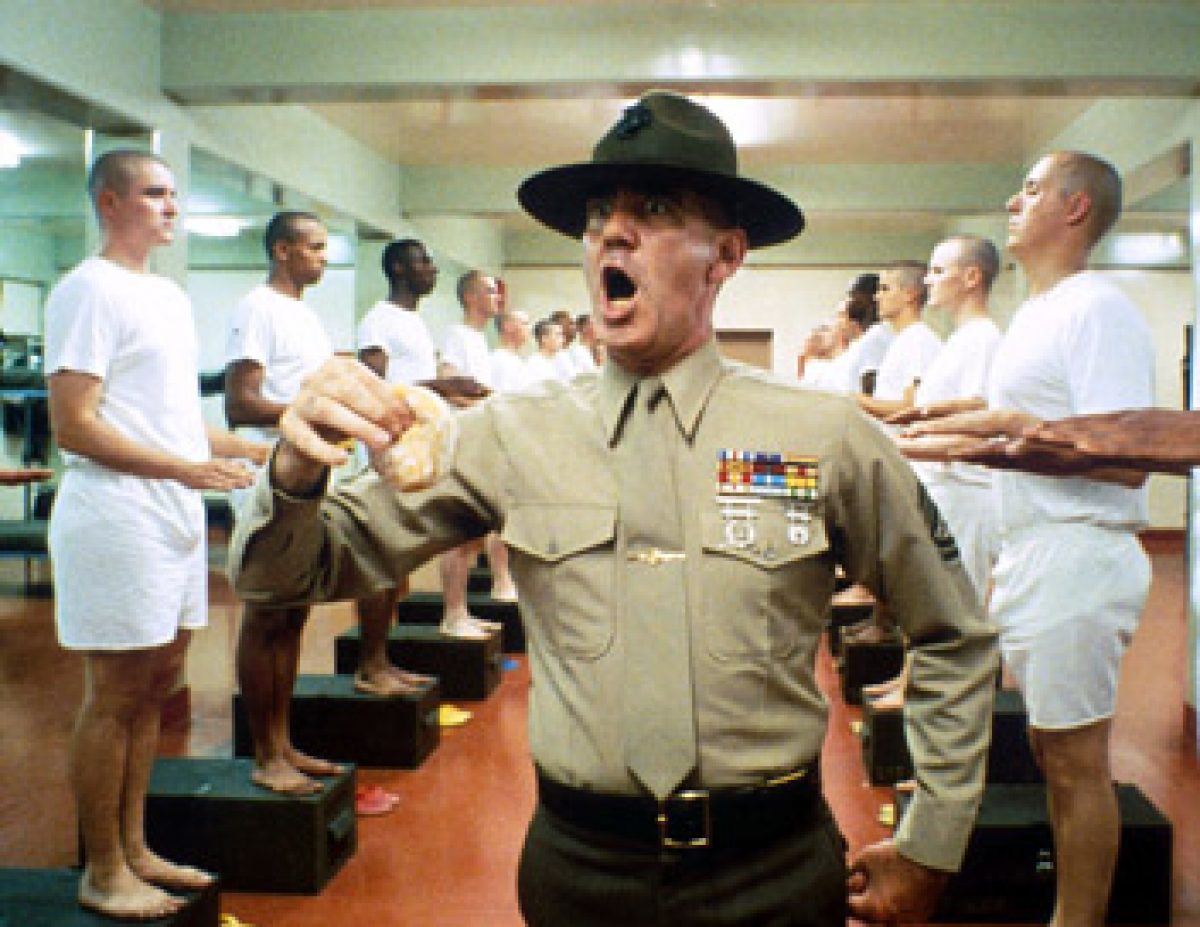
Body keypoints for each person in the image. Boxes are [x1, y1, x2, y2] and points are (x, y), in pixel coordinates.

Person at [228, 91, 998, 925]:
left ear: (726, 254)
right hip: (579, 875)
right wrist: (295, 469)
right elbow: (284, 575)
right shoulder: (511, 433)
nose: (612, 234)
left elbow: (953, 632)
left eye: (654, 210)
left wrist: (932, 840)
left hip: (773, 872)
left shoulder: (824, 434)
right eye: (599, 215)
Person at [898, 151, 1154, 927]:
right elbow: (1019, 424)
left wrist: (1006, 434)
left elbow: (1126, 459)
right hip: (1031, 550)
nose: (1014, 201)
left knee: (1077, 763)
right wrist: (932, 435)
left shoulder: (1097, 309)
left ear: (1076, 208)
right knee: (1051, 750)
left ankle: (1078, 918)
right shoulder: (1039, 313)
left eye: (1033, 189)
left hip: (1078, 550)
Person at [46, 149, 258, 919]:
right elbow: (73, 424)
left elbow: (173, 420)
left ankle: (135, 847)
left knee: (156, 684)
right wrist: (184, 469)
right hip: (116, 512)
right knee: (115, 692)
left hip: (172, 508)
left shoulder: (166, 296)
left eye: (175, 194)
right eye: (154, 193)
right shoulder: (87, 290)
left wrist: (257, 450)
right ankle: (102, 868)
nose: (171, 206)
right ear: (109, 203)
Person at [224, 211, 412, 791]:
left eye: (326, 248)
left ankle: (283, 743)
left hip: (313, 479)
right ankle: (266, 755)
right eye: (313, 247)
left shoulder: (304, 314)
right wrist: (309, 419)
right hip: (270, 477)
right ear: (282, 250)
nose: (324, 258)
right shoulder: (257, 307)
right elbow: (240, 402)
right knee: (267, 613)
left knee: (295, 609)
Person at [353, 237, 449, 696]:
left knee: (397, 563)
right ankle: (369, 664)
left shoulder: (414, 321)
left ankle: (384, 658)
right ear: (398, 267)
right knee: (379, 561)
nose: (431, 269)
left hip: (411, 459)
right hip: (383, 458)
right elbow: (373, 388)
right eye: (422, 261)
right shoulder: (379, 320)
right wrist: (443, 387)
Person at [438, 270, 513, 628]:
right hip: (460, 442)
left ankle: (463, 610)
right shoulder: (457, 335)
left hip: (480, 440)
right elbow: (448, 385)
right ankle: (452, 613)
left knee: (475, 531)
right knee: (457, 531)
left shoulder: (479, 340)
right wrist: (486, 406)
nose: (497, 297)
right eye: (489, 291)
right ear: (470, 297)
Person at [858, 261, 941, 420]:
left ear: (910, 294)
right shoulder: (902, 340)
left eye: (885, 289)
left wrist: (857, 400)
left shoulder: (919, 340)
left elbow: (913, 407)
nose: (876, 297)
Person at [492, 310, 534, 393]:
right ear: (508, 326)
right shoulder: (500, 360)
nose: (530, 328)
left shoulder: (517, 360)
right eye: (525, 323)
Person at [525, 317, 568, 384]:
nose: (563, 339)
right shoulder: (534, 365)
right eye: (558, 335)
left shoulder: (561, 359)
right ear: (544, 338)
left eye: (562, 335)